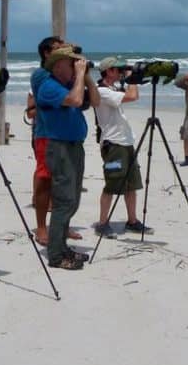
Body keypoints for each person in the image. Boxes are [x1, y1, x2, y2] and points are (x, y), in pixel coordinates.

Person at [34, 45, 100, 270]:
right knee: (63, 201)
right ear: (59, 65)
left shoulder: (71, 84)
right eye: (71, 63)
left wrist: (87, 77)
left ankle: (62, 247)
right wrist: (80, 75)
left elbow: (96, 101)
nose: (75, 67)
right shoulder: (48, 86)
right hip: (59, 147)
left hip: (74, 146)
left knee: (72, 200)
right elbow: (74, 101)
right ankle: (55, 255)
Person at [26, 36, 83, 246]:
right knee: (45, 180)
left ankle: (62, 227)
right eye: (59, 48)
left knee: (64, 185)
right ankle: (41, 228)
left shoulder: (62, 74)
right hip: (47, 135)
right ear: (47, 54)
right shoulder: (42, 75)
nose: (64, 51)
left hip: (64, 134)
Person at [93, 56, 151, 238]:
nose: (121, 72)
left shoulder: (113, 88)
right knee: (112, 184)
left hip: (125, 142)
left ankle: (132, 221)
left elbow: (129, 93)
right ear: (109, 71)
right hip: (113, 144)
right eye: (118, 70)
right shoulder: (100, 90)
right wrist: (132, 78)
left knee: (131, 185)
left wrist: (131, 77)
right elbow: (132, 96)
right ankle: (102, 223)